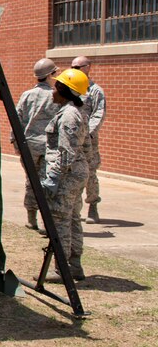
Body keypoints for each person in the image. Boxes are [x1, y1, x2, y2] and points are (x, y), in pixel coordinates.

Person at [40, 68, 91, 282]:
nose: (52, 91)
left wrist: (53, 178)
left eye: (55, 87)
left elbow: (66, 153)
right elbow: (86, 147)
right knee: (73, 219)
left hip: (67, 176)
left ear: (64, 90)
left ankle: (62, 269)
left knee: (60, 220)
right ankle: (74, 265)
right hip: (76, 174)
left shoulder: (69, 115)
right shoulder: (76, 111)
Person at [13, 58, 60, 231]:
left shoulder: (27, 95)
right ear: (50, 75)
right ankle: (44, 221)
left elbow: (17, 119)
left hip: (29, 144)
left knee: (30, 181)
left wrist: (16, 143)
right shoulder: (54, 95)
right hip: (48, 146)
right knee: (47, 182)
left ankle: (31, 218)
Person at [70, 56, 106, 224]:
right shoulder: (70, 89)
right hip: (71, 139)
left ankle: (93, 206)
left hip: (89, 140)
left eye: (78, 66)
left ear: (88, 67)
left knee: (90, 173)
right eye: (73, 66)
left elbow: (98, 113)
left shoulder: (95, 91)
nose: (75, 69)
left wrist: (88, 133)